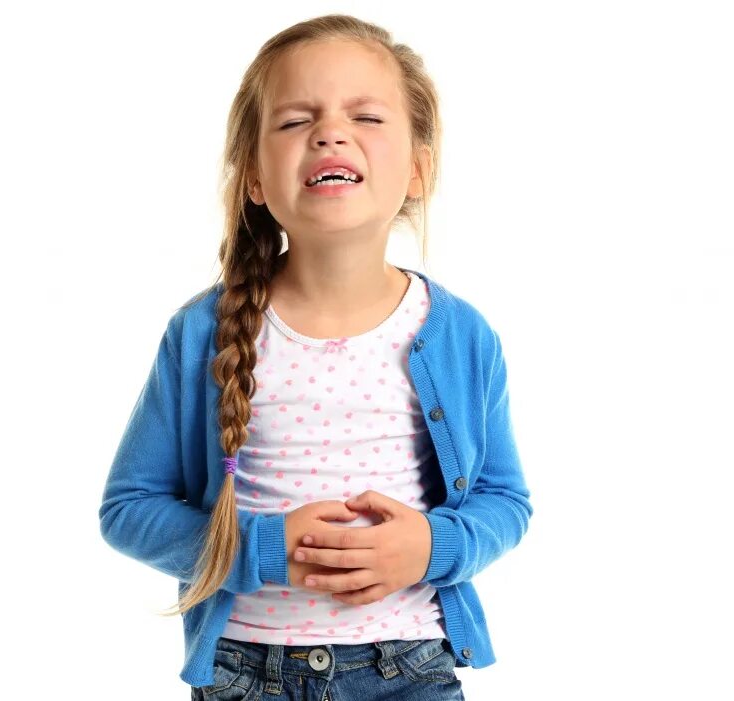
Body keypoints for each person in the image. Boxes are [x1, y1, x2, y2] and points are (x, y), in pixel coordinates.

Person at [99, 13, 533, 700]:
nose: (331, 133)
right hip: (245, 675)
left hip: (409, 671)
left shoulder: (460, 334)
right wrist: (262, 549)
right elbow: (130, 508)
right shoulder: (202, 332)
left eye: (367, 116)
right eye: (297, 120)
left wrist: (432, 546)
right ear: (254, 177)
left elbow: (505, 500)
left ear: (417, 170)